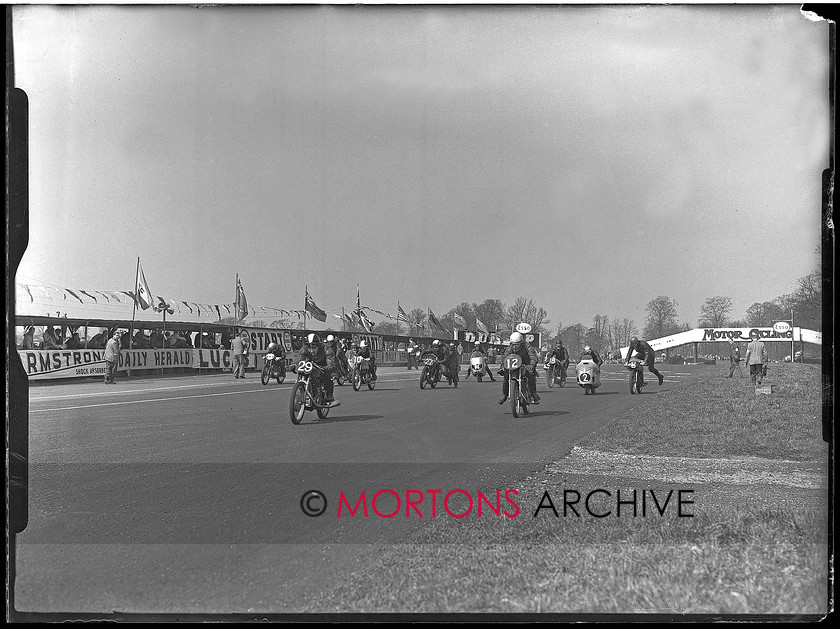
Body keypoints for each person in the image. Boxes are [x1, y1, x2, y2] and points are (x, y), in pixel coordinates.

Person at [497, 331, 540, 405]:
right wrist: (502, 367)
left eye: (517, 344)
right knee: (506, 376)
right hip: (514, 366)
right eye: (513, 344)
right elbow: (505, 358)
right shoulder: (509, 348)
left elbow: (533, 356)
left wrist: (531, 365)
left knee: (530, 375)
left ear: (521, 342)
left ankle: (533, 393)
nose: (515, 346)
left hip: (526, 365)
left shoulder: (527, 346)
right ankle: (505, 395)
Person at [299, 333, 336, 404]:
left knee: (326, 375)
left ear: (318, 345)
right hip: (311, 365)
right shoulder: (304, 349)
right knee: (302, 372)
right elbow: (299, 360)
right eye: (309, 348)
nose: (311, 350)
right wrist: (294, 366)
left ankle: (329, 394)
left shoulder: (327, 349)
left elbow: (332, 365)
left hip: (323, 366)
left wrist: (323, 368)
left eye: (314, 347)